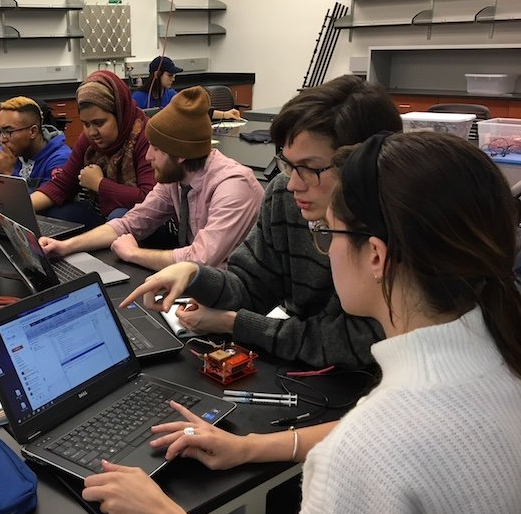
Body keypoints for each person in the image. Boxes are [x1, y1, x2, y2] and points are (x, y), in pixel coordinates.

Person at [82, 131, 521, 514]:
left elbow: (371, 443)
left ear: (375, 255)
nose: (325, 250)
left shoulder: (363, 455)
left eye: (329, 234)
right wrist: (250, 447)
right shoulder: (498, 352)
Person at [122, 75, 403, 368]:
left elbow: (361, 341)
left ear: (366, 167)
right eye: (288, 163)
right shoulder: (284, 197)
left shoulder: (398, 225)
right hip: (302, 364)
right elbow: (250, 287)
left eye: (308, 168)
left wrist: (235, 324)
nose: (292, 183)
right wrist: (194, 274)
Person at [39, 86, 264, 271]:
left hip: (240, 295)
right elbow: (129, 223)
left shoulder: (233, 186)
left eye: (156, 149)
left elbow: (200, 260)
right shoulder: (175, 178)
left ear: (180, 154)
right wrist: (65, 246)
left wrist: (134, 253)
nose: (148, 155)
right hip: (204, 283)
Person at [31, 70, 156, 229]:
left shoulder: (146, 136)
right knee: (54, 211)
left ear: (119, 113)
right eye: (86, 124)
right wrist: (21, 207)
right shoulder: (88, 140)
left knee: (119, 215)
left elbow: (150, 198)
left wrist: (99, 184)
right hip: (103, 215)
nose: (91, 132)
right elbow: (63, 185)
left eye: (99, 123)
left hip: (146, 220)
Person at [0, 96, 71, 192]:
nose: (2, 139)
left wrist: (9, 174)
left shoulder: (60, 159)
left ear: (33, 132)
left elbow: (41, 203)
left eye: (8, 131)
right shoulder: (7, 153)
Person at [132, 56, 241, 121]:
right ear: (157, 74)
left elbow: (195, 109)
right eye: (170, 75)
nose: (173, 79)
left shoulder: (171, 95)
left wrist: (225, 114)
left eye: (174, 76)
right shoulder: (138, 98)